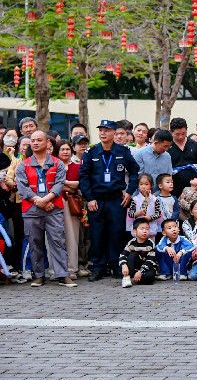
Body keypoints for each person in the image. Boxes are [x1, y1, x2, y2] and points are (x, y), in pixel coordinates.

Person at [79, 119, 140, 282]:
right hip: (97, 200)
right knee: (97, 234)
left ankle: (116, 265)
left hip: (116, 199)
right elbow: (83, 177)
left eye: (106, 130)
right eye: (101, 130)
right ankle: (97, 267)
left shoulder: (123, 151)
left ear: (114, 132)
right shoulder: (91, 152)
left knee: (116, 233)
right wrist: (89, 198)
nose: (103, 133)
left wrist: (129, 192)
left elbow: (135, 171)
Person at [16, 130, 76, 288]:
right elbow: (22, 187)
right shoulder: (23, 164)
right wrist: (39, 201)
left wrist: (46, 199)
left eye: (39, 140)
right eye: (33, 140)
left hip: (53, 209)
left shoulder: (57, 163)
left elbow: (59, 184)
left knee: (58, 241)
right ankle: (39, 275)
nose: (35, 143)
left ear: (47, 143)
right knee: (35, 243)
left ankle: (63, 275)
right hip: (31, 210)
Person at [58, 141, 85, 280]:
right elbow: (52, 184)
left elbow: (80, 184)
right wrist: (69, 185)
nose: (65, 152)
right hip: (55, 202)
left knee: (72, 236)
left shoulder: (78, 167)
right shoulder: (54, 166)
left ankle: (72, 268)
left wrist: (63, 183)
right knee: (56, 237)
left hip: (72, 203)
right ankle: (56, 269)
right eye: (62, 149)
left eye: (67, 149)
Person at [166, 118, 197, 199]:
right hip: (173, 188)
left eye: (183, 133)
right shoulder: (167, 146)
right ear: (171, 132)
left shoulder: (195, 145)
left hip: (194, 187)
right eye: (177, 134)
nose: (181, 136)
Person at [119, 217, 157, 287]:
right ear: (134, 231)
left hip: (147, 267)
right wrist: (124, 265)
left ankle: (135, 278)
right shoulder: (131, 243)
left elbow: (150, 261)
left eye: (147, 229)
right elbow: (123, 255)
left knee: (149, 277)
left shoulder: (150, 243)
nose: (145, 231)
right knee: (132, 255)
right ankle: (128, 277)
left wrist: (140, 272)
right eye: (142, 229)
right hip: (135, 267)